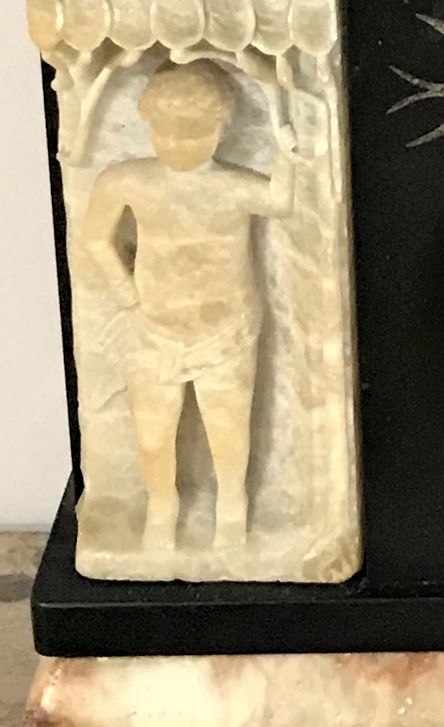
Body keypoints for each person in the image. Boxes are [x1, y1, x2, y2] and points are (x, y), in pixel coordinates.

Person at [82, 61, 292, 551]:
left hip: (227, 328)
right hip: (154, 328)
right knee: (153, 431)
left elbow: (281, 200)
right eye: (166, 134)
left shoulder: (233, 186)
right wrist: (125, 291)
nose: (177, 146)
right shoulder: (127, 180)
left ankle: (232, 503)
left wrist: (287, 149)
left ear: (221, 128)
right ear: (148, 126)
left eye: (193, 135)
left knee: (227, 426)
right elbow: (95, 239)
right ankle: (161, 503)